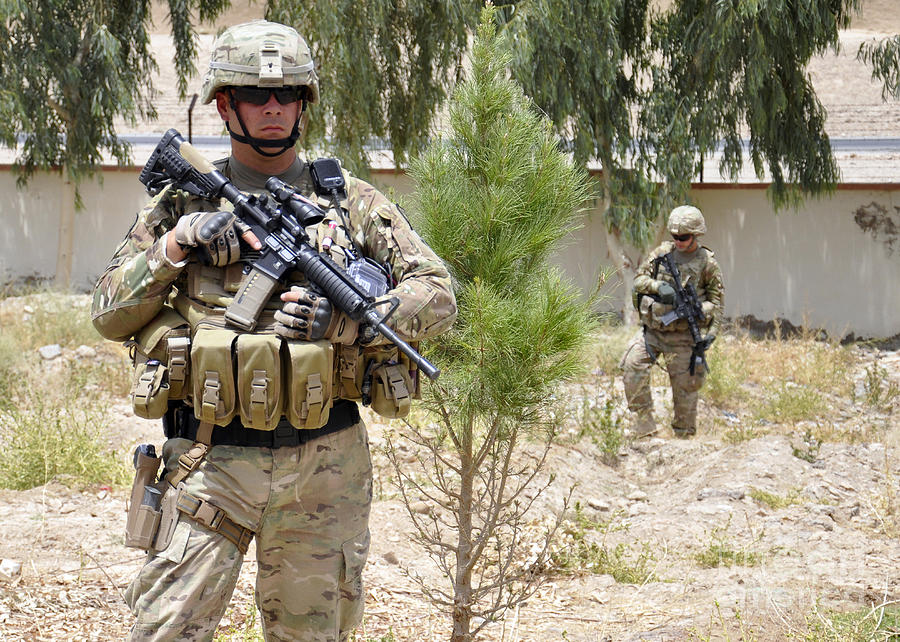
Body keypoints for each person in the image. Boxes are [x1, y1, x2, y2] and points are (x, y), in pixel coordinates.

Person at [91, 20, 456, 641]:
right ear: (225, 105)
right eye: (256, 96)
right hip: (207, 461)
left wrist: (346, 323)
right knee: (164, 631)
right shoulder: (181, 206)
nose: (273, 108)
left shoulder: (351, 203)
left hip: (324, 462)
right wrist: (179, 243)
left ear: (304, 105)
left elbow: (439, 294)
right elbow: (106, 312)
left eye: (288, 95)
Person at [621, 205, 724, 438]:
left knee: (686, 389)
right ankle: (644, 424)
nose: (678, 241)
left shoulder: (707, 263)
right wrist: (658, 286)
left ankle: (683, 436)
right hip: (653, 331)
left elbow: (717, 302)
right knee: (632, 365)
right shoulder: (661, 254)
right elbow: (639, 280)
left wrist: (709, 328)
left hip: (684, 338)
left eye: (684, 237)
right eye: (675, 236)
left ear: (696, 235)